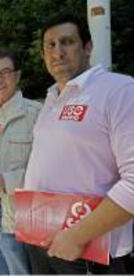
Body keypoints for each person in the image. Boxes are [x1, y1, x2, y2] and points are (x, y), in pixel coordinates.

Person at [24, 11, 134, 274]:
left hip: (89, 251)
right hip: (41, 241)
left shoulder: (118, 90)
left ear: (88, 47)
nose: (57, 51)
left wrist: (76, 237)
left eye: (67, 42)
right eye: (50, 45)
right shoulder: (51, 98)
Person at [0, 47, 41, 274]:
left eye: (5, 72)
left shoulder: (35, 114)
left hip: (16, 210)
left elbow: (43, 172)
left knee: (19, 271)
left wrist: (4, 180)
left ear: (18, 75)